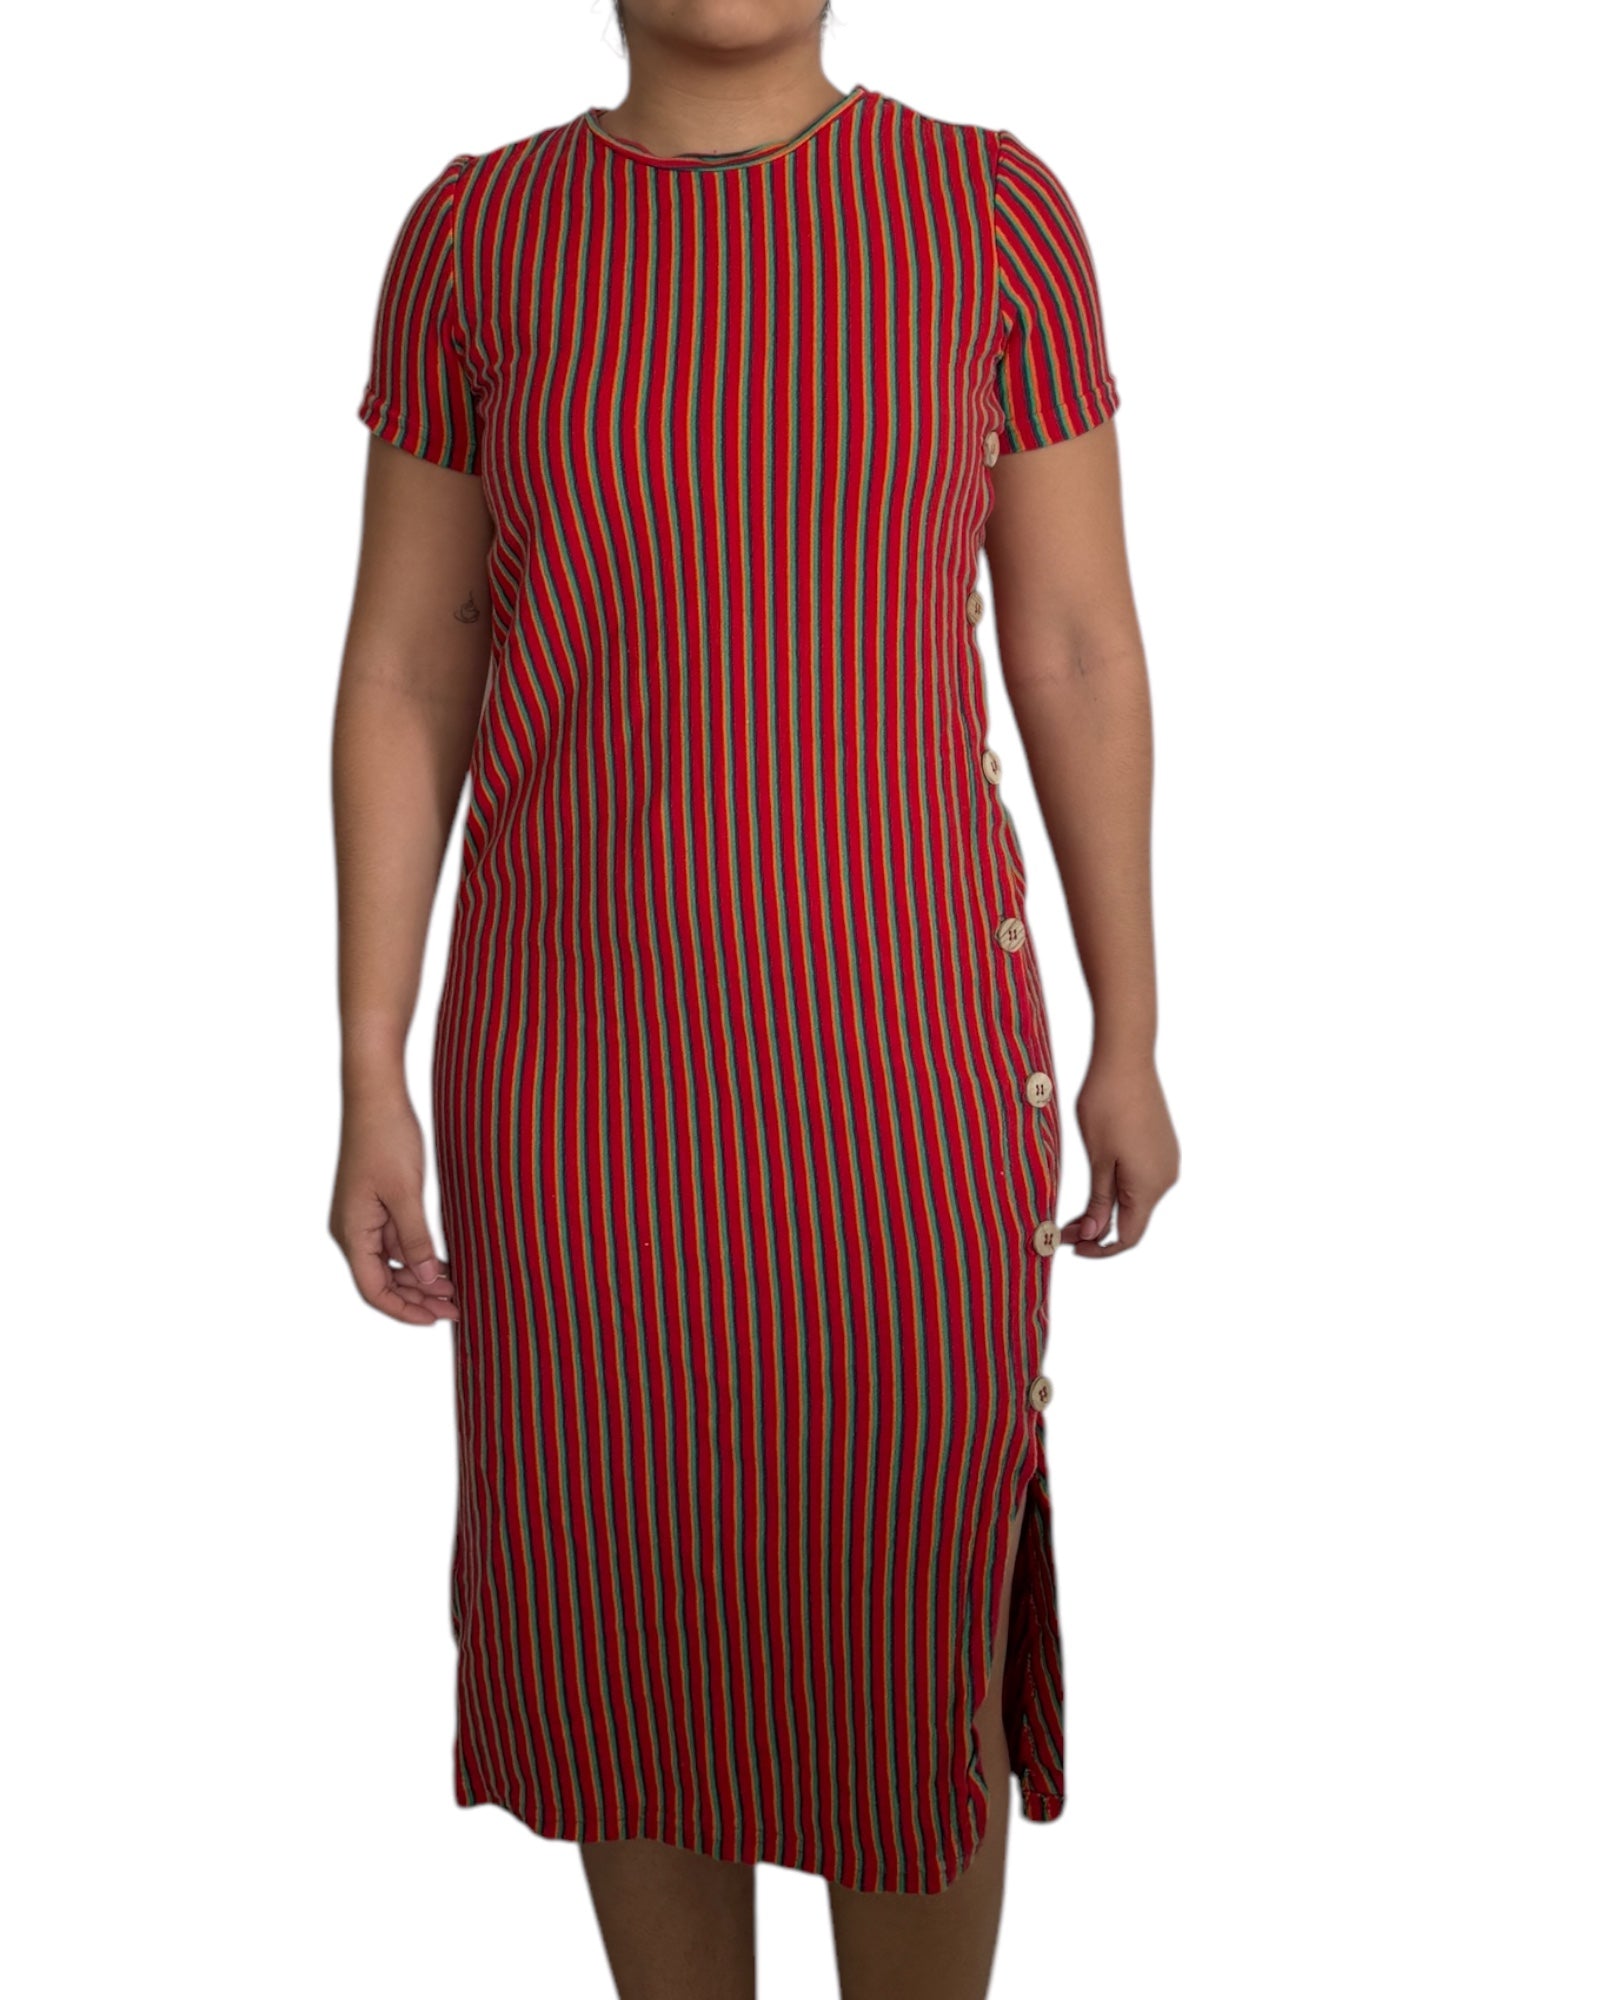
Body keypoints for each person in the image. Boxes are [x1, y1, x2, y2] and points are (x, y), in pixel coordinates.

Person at [329, 4, 1179, 1994]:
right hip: (577, 1079)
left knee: (905, 1613)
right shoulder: (475, 240)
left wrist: (1127, 1027)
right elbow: (407, 664)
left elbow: (1072, 641)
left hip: (901, 1063)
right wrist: (369, 1060)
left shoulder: (988, 214)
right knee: (620, 1618)